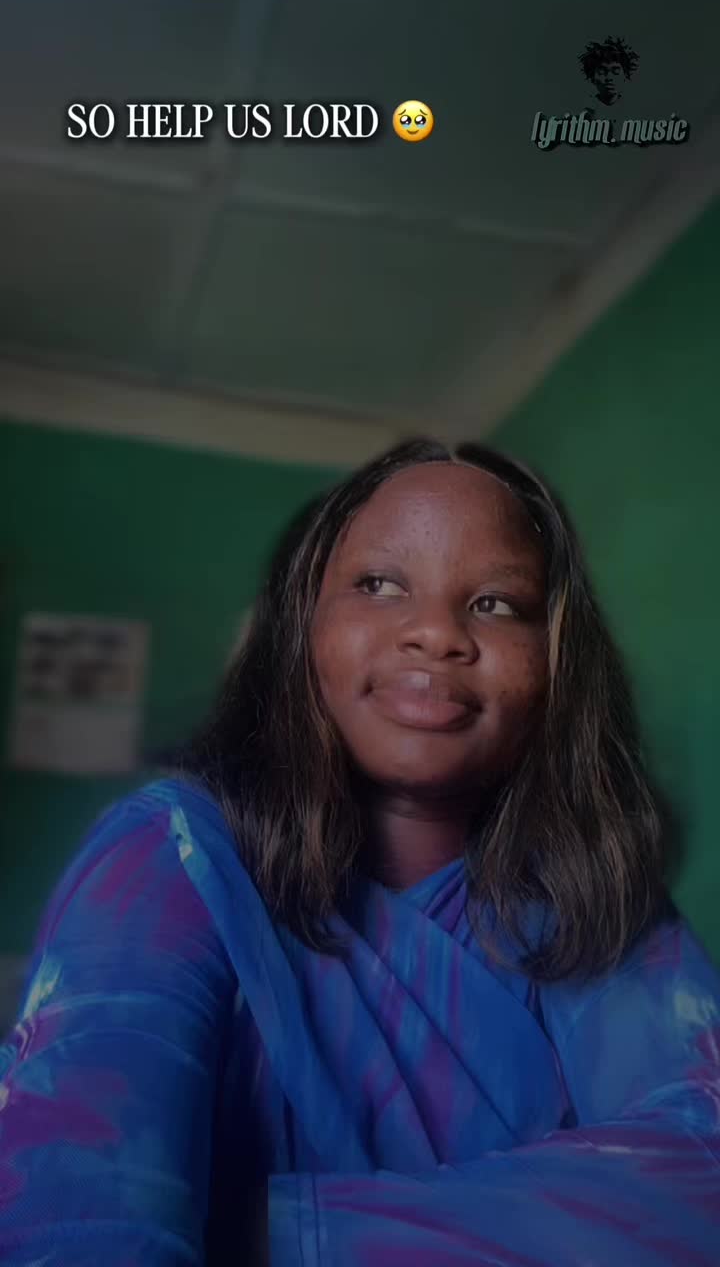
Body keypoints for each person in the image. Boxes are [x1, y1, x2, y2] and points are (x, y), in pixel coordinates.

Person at [0, 438, 718, 1266]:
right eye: (378, 585)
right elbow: (73, 1205)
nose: (435, 633)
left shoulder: (593, 895)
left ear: (558, 665)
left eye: (495, 603)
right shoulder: (175, 854)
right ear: (301, 627)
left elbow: (706, 1174)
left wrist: (255, 1232)